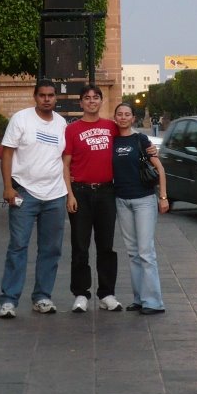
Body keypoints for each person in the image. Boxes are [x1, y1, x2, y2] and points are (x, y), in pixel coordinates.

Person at [0, 79, 68, 318]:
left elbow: (66, 159)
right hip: (24, 193)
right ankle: (9, 300)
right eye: (42, 95)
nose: (46, 99)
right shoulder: (21, 119)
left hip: (55, 195)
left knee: (51, 249)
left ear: (55, 98)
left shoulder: (61, 124)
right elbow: (7, 153)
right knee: (18, 247)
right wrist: (8, 187)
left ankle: (42, 297)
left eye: (50, 95)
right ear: (35, 97)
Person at [63, 84, 122, 313]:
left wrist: (149, 150)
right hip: (81, 192)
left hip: (107, 191)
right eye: (87, 98)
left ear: (101, 101)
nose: (91, 101)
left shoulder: (111, 127)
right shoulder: (72, 129)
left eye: (96, 97)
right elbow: (65, 164)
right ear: (81, 103)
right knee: (80, 245)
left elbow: (128, 141)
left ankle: (107, 293)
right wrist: (70, 194)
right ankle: (80, 293)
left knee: (106, 245)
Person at [112, 102, 168, 315]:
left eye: (127, 114)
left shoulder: (141, 140)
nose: (124, 117)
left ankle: (154, 302)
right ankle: (139, 298)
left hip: (144, 199)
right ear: (115, 118)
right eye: (120, 114)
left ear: (133, 118)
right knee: (133, 252)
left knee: (146, 252)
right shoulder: (112, 141)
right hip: (122, 200)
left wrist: (163, 197)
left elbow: (159, 169)